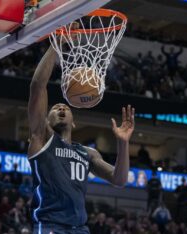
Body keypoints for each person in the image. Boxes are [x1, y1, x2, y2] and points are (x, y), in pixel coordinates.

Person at [27, 36, 135, 233]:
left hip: (80, 229)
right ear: (46, 121)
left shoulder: (88, 153)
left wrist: (123, 143)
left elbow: (119, 179)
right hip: (51, 225)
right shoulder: (41, 139)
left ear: (73, 121)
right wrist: (56, 45)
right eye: (55, 108)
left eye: (65, 108)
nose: (60, 109)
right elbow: (37, 87)